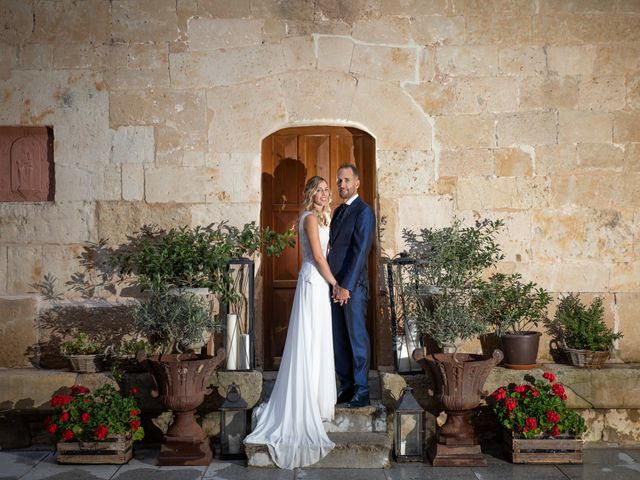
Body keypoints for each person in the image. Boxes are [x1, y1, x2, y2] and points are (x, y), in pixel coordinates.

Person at [244, 176, 339, 469]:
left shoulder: (325, 217)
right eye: (319, 190)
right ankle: (304, 402)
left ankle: (318, 401)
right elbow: (319, 257)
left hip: (320, 284)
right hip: (314, 281)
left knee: (319, 339)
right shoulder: (309, 218)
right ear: (310, 193)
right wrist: (336, 283)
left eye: (327, 190)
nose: (324, 194)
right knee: (309, 340)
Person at [328, 164, 376, 408]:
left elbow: (360, 252)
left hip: (353, 289)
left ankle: (362, 390)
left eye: (346, 180)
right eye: (339, 181)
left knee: (356, 338)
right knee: (339, 339)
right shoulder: (337, 212)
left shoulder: (364, 212)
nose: (342, 185)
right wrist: (333, 284)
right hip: (334, 287)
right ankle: (346, 387)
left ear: (357, 183)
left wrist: (346, 286)